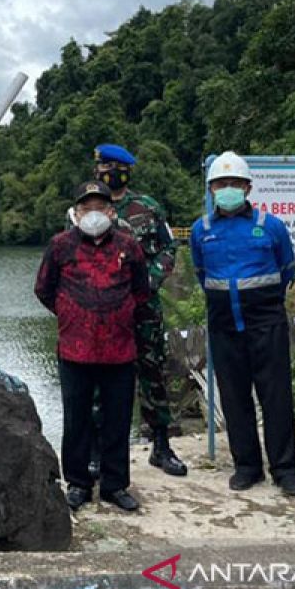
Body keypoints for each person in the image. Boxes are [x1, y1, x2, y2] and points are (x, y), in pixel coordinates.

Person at [189, 151, 295, 496]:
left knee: (276, 398)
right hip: (224, 326)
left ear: (248, 187)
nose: (227, 189)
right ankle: (247, 466)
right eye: (220, 184)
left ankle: (285, 470)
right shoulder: (202, 230)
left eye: (234, 183)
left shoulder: (270, 226)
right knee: (234, 398)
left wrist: (260, 303)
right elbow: (201, 274)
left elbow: (287, 270)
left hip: (266, 323)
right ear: (211, 189)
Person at [36, 180, 150, 512]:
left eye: (100, 207)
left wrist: (120, 314)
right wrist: (73, 314)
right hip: (75, 350)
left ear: (111, 212)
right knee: (76, 420)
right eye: (87, 207)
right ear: (76, 212)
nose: (94, 213)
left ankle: (115, 485)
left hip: (119, 349)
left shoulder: (129, 246)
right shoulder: (60, 246)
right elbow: (44, 289)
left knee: (117, 419)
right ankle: (77, 483)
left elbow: (142, 291)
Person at [94, 143, 187, 476]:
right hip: (104, 312)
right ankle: (97, 451)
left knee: (153, 373)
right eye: (100, 167)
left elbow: (168, 247)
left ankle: (161, 445)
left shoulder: (147, 207)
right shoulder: (88, 209)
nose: (103, 172)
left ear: (124, 170)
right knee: (99, 380)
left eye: (108, 167)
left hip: (144, 307)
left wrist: (152, 278)